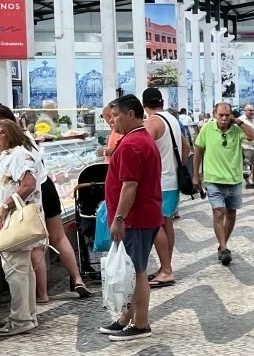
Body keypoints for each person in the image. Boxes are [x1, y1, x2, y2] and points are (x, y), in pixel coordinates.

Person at [0, 105, 90, 303]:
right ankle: (77, 278)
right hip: (47, 186)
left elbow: (23, 181)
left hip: (30, 195)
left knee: (33, 246)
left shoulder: (12, 144)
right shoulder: (27, 137)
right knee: (58, 237)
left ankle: (41, 294)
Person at [99, 95, 162, 339]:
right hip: (145, 215)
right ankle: (126, 318)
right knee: (134, 269)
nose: (112, 120)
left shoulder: (131, 145)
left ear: (131, 114)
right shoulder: (140, 140)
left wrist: (119, 218)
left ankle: (141, 324)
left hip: (136, 218)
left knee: (137, 271)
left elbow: (129, 186)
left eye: (115, 115)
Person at [193, 102, 254, 265]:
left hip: (234, 179)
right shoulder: (207, 129)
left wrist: (239, 122)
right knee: (218, 212)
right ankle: (223, 248)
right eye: (220, 115)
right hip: (214, 179)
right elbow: (198, 151)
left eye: (226, 115)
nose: (223, 118)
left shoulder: (237, 130)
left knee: (231, 214)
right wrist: (196, 174)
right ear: (214, 114)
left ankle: (223, 244)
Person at [142, 86, 189, 289]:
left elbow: (143, 148)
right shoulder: (172, 119)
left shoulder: (152, 121)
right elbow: (186, 145)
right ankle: (165, 267)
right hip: (172, 180)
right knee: (166, 223)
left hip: (160, 181)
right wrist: (178, 166)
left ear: (144, 105)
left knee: (156, 225)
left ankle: (167, 270)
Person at [0, 118, 43, 337]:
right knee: (23, 269)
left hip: (15, 220)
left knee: (14, 269)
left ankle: (20, 319)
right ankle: (27, 315)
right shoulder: (9, 155)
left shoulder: (18, 155)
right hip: (14, 218)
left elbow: (29, 184)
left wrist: (6, 206)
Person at [242, 103, 254, 188]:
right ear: (245, 111)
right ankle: (246, 182)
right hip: (245, 146)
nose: (252, 112)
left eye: (253, 110)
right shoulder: (241, 120)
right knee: (245, 164)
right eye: (250, 110)